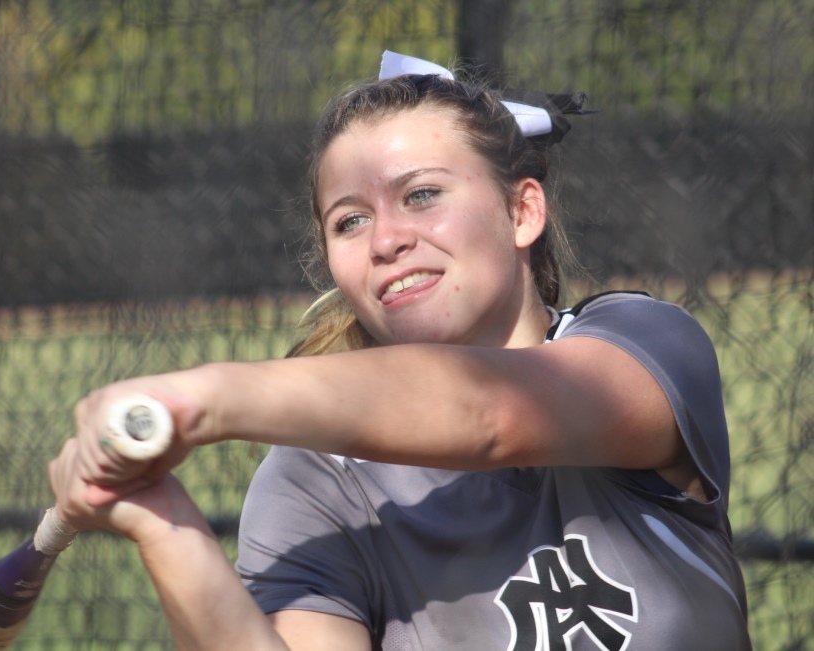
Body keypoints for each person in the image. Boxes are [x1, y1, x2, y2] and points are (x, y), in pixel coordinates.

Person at [47, 52, 752, 650]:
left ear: (522, 211)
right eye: (350, 220)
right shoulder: (313, 481)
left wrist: (203, 399)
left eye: (420, 195)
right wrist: (159, 519)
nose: (386, 240)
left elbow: (488, 413)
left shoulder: (644, 343)